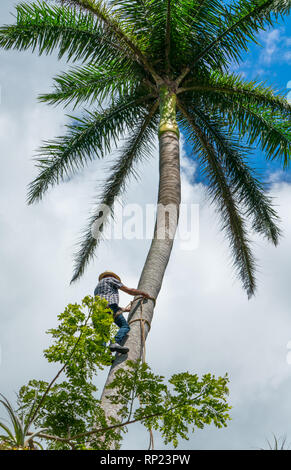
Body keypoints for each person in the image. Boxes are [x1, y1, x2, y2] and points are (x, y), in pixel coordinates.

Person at [94, 271, 154, 354]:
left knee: (104, 334)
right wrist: (142, 293)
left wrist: (126, 309)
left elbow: (106, 302)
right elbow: (129, 291)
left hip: (97, 312)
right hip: (110, 308)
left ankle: (103, 354)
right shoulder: (111, 279)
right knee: (125, 326)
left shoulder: (98, 287)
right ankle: (115, 342)